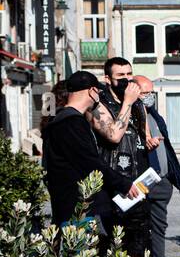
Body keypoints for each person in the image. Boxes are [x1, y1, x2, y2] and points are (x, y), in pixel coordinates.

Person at [41, 71, 140, 229]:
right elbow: (90, 163)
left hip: (69, 207)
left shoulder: (60, 119)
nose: (99, 97)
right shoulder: (71, 122)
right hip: (78, 210)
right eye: (99, 92)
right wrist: (123, 183)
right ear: (92, 91)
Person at [89, 57, 152, 257]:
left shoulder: (138, 105)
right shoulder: (98, 106)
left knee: (136, 254)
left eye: (129, 74)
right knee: (112, 253)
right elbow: (114, 135)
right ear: (108, 79)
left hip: (138, 186)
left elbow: (144, 138)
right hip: (112, 189)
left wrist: (151, 142)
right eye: (120, 76)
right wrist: (127, 102)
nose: (127, 80)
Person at [139, 80, 180, 257]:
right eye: (145, 92)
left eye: (152, 92)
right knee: (137, 226)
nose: (149, 96)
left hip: (161, 180)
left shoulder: (154, 114)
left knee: (159, 226)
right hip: (140, 182)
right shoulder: (129, 115)